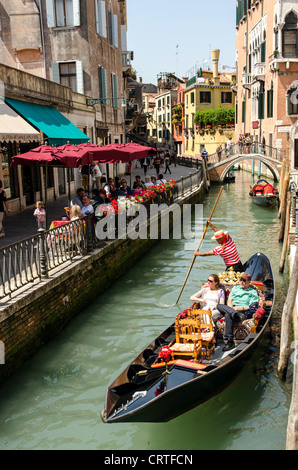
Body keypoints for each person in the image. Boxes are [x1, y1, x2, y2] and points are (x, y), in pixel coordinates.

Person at [216, 272, 265, 351]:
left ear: (249, 282)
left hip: (243, 312)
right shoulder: (235, 288)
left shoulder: (252, 292)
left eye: (244, 280)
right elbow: (229, 300)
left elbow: (252, 306)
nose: (242, 282)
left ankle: (230, 342)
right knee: (219, 306)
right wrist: (232, 309)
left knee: (228, 315)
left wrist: (240, 308)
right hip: (233, 310)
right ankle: (233, 314)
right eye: (241, 280)